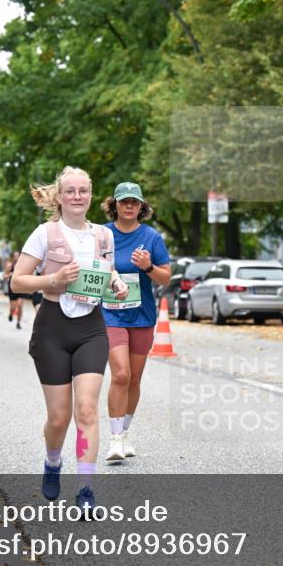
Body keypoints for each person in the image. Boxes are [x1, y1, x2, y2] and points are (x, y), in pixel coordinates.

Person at [10, 166, 129, 515]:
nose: (77, 196)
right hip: (52, 329)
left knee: (87, 409)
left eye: (83, 191)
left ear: (91, 195)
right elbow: (18, 281)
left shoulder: (104, 237)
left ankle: (86, 488)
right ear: (60, 197)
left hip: (91, 328)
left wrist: (117, 283)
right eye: (71, 191)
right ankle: (52, 461)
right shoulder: (45, 234)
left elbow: (107, 272)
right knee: (59, 418)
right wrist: (54, 278)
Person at [100, 182, 171, 463]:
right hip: (111, 313)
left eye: (134, 202)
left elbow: (165, 278)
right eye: (123, 201)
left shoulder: (152, 237)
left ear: (142, 206)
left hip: (142, 315)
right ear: (114, 205)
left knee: (135, 378)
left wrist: (148, 267)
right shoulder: (103, 236)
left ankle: (125, 433)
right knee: (120, 374)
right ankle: (115, 439)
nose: (129, 206)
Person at [3, 257, 26, 330]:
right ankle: (11, 313)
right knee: (13, 307)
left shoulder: (23, 266)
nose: (16, 257)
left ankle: (18, 323)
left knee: (20, 305)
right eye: (15, 256)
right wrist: (9, 275)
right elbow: (3, 276)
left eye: (18, 256)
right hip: (12, 288)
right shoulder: (10, 266)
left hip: (21, 287)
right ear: (13, 257)